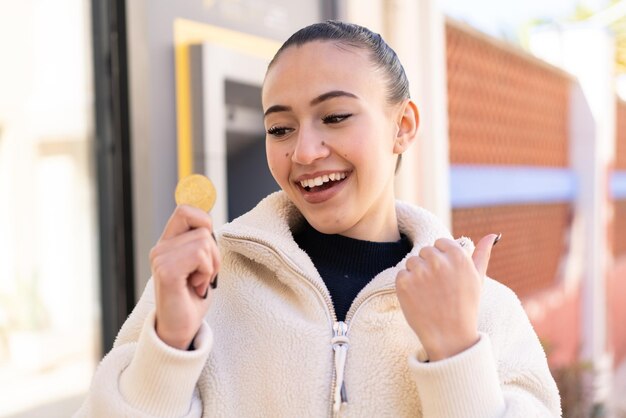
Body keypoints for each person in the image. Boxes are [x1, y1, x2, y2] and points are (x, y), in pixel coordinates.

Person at [75, 20, 561, 417]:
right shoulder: (208, 285)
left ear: (403, 126)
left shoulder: (481, 306)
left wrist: (456, 352)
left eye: (335, 117)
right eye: (280, 128)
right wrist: (168, 346)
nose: (304, 152)